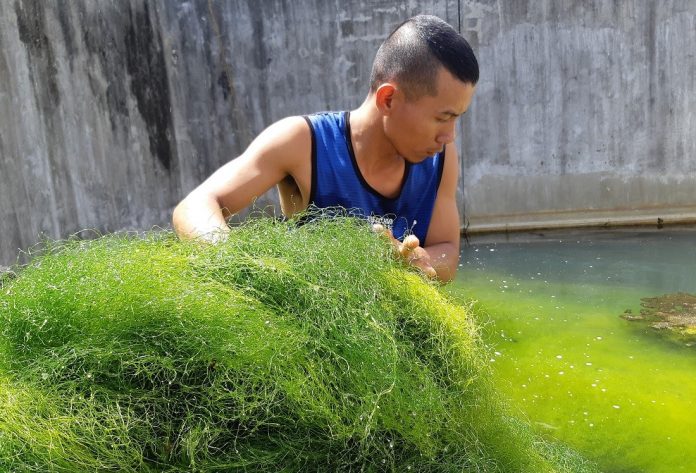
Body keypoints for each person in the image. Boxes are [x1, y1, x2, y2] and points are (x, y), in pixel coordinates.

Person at [173, 14, 478, 282]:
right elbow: (195, 206)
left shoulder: (442, 158)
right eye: (443, 118)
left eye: (457, 119)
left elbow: (447, 251)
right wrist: (244, 267)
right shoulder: (301, 142)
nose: (449, 136)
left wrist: (415, 260)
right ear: (388, 99)